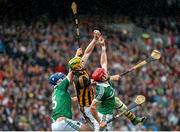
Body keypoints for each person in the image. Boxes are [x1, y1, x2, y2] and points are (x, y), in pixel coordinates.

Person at [90, 36, 146, 131]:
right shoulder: (103, 90)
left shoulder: (104, 80)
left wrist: (103, 47)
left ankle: (134, 119)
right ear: (103, 77)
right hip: (104, 117)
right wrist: (100, 122)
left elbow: (103, 62)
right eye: (105, 73)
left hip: (108, 108)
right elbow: (92, 108)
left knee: (116, 100)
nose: (106, 72)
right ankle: (133, 119)